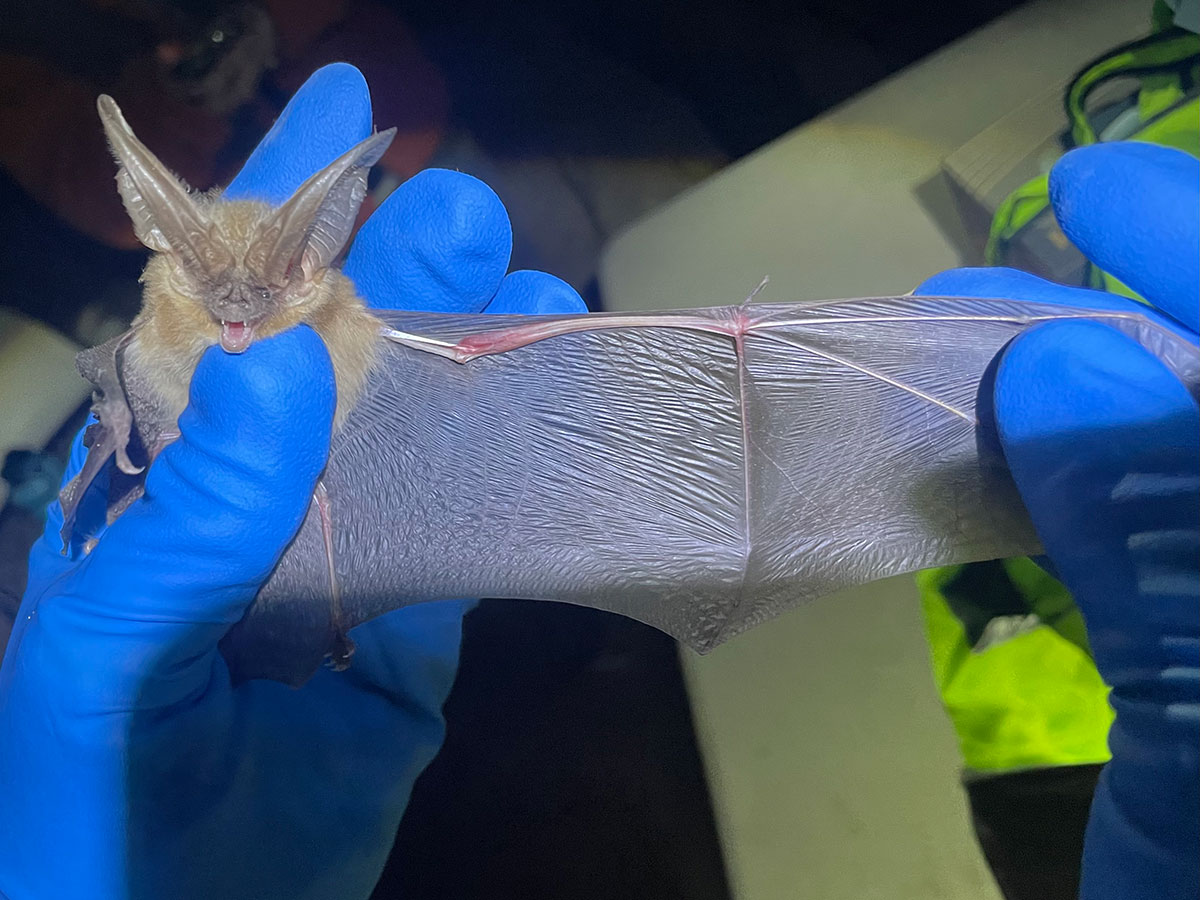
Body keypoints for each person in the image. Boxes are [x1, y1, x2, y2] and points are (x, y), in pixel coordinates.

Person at [0, 64, 1195, 900]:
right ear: (164, 250)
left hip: (360, 494)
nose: (245, 314)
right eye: (217, 296)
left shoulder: (343, 324)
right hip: (246, 525)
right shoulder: (150, 328)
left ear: (315, 267)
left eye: (273, 291)